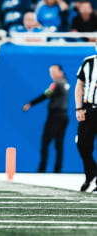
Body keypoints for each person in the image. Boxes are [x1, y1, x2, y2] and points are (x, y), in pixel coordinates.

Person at [23, 65, 69, 173]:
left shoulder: (56, 84)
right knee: (59, 143)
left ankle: (42, 169)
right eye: (50, 72)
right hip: (63, 116)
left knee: (45, 142)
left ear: (61, 72)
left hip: (55, 117)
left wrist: (30, 103)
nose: (52, 74)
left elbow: (45, 95)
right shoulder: (66, 83)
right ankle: (58, 170)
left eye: (54, 71)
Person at [75, 41, 97, 192]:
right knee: (82, 143)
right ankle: (91, 174)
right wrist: (78, 107)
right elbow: (79, 85)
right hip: (89, 108)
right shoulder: (88, 61)